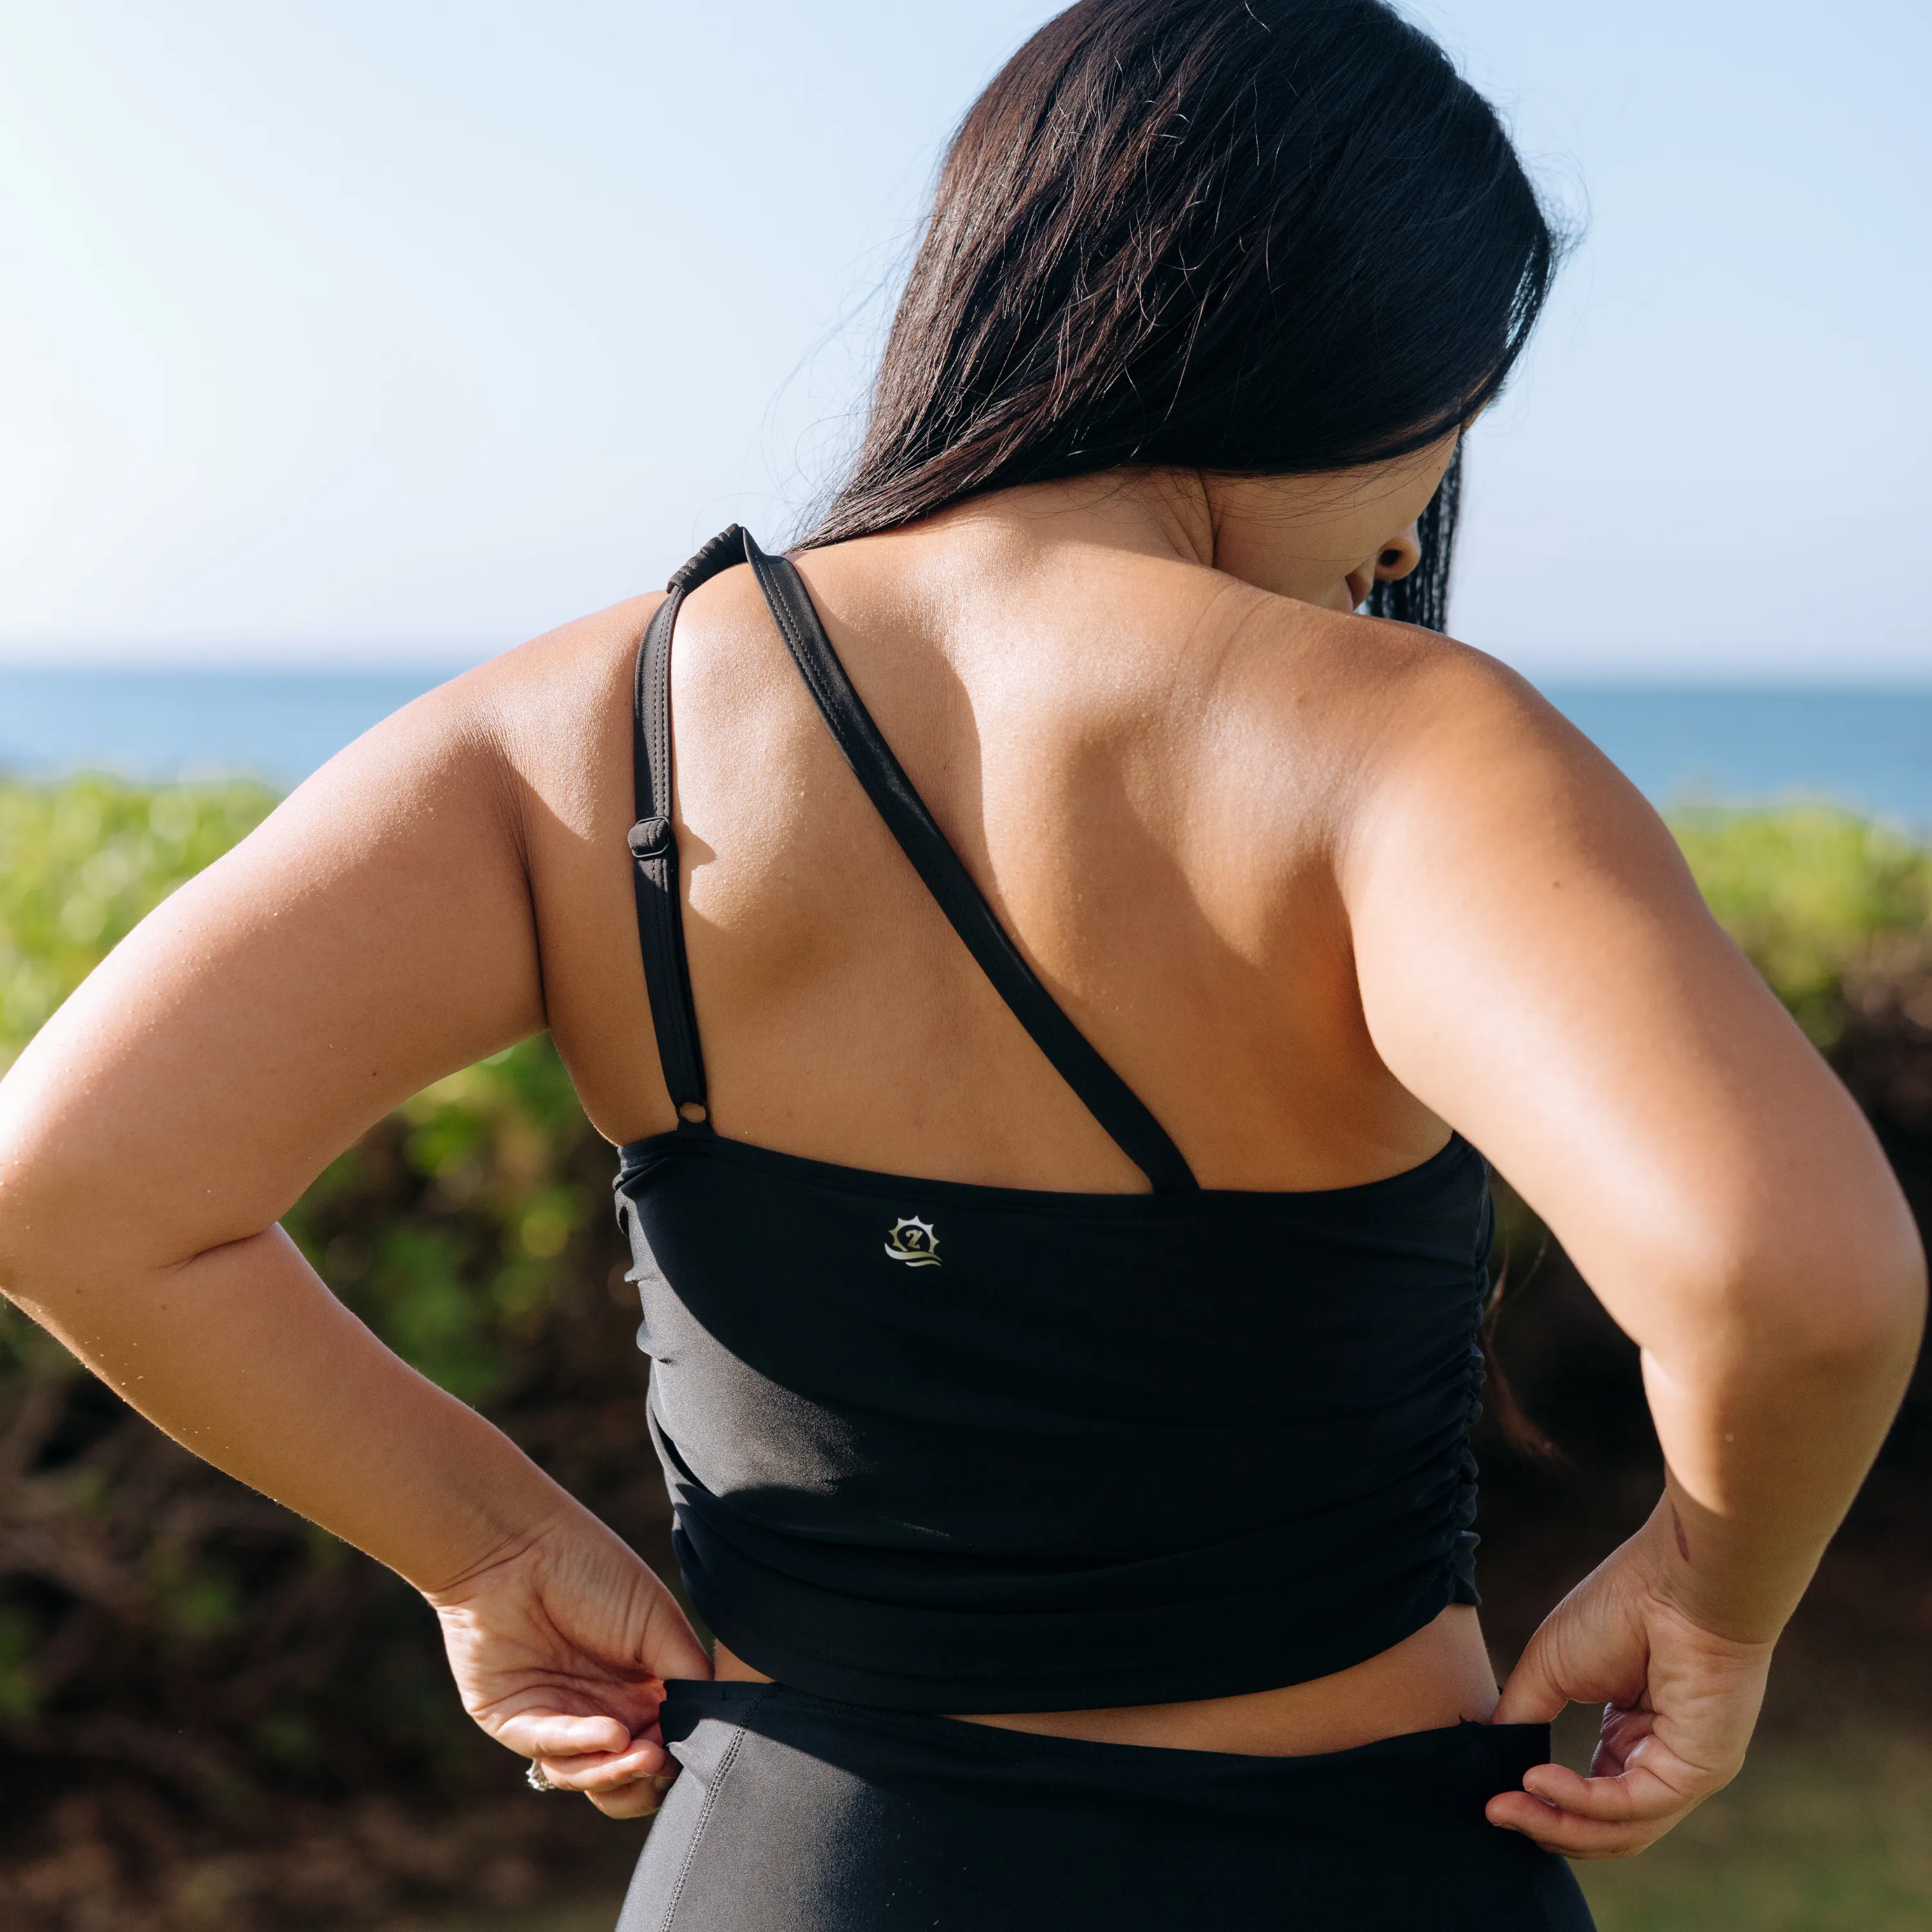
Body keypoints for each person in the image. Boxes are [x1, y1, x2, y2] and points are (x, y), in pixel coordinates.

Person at [0, 1, 1922, 1926]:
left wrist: (487, 1557)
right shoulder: (1407, 750)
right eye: (1446, 427)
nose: (1417, 519)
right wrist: (1710, 1597)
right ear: (1346, 343)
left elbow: (76, 1190)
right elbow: (1796, 1283)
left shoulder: (588, 735)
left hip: (792, 1872)